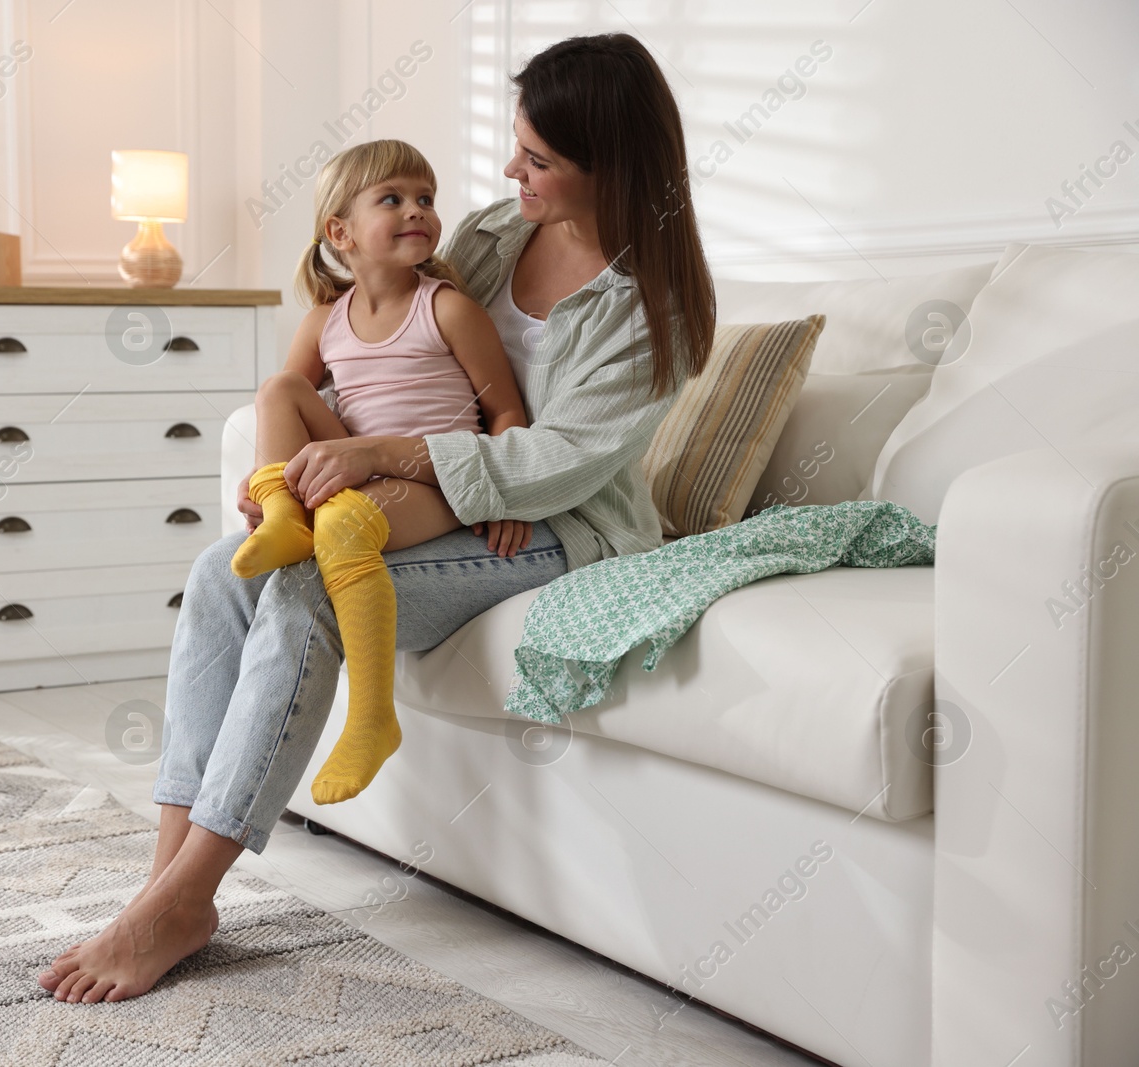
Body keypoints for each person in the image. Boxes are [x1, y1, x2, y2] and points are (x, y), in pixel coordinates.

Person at [38, 32, 717, 1006]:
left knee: (307, 590)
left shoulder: (655, 310)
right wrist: (322, 437)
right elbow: (388, 326)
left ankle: (188, 896)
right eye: (515, 147)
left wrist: (377, 455)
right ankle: (165, 880)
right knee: (221, 573)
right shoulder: (490, 235)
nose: (505, 172)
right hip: (438, 498)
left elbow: (553, 461)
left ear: (606, 167)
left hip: (559, 528)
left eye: (536, 160)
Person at [233, 137, 531, 807]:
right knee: (278, 389)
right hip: (361, 467)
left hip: (437, 480)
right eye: (392, 199)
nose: (417, 210)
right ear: (340, 232)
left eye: (425, 198)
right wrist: (265, 482)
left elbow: (507, 409)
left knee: (341, 523)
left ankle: (372, 718)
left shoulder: (447, 306)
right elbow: (295, 413)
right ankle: (282, 519)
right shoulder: (323, 322)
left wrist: (510, 488)